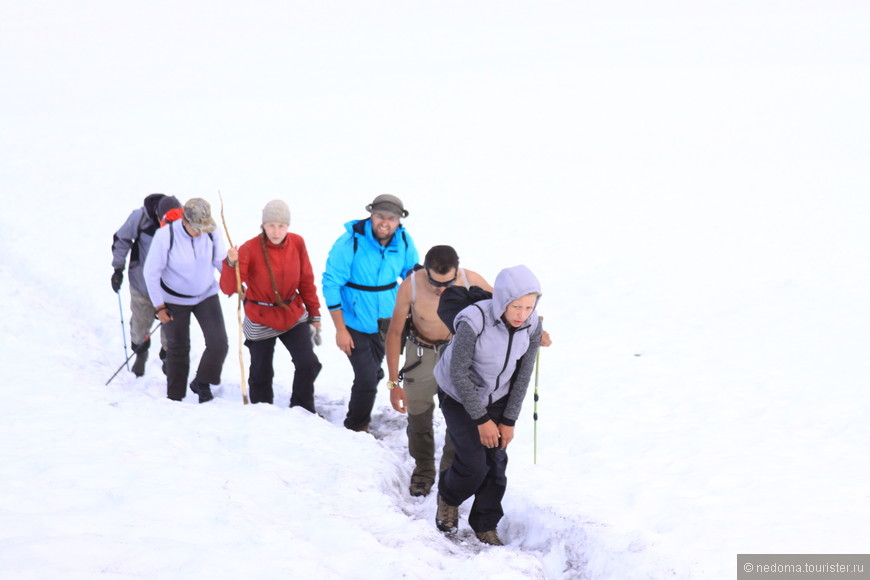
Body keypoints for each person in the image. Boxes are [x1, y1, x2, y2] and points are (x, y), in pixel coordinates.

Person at [433, 264, 543, 546]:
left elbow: (522, 374)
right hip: (458, 395)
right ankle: (449, 495)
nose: (522, 314)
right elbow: (458, 372)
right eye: (516, 306)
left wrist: (508, 420)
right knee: (473, 464)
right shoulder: (474, 320)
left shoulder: (532, 325)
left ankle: (485, 523)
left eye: (529, 307)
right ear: (502, 300)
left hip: (499, 396)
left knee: (496, 463)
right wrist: (482, 420)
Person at [385, 245, 493, 497]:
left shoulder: (470, 280)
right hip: (420, 353)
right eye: (435, 282)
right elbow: (394, 333)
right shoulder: (411, 286)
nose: (442, 290)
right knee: (418, 415)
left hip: (457, 354)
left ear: (457, 271)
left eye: (448, 283)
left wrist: (534, 328)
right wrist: (393, 383)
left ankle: (448, 471)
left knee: (459, 415)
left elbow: (508, 306)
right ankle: (423, 470)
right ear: (426, 271)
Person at [322, 194, 419, 432]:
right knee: (366, 377)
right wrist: (340, 329)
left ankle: (368, 391)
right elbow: (331, 284)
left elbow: (412, 276)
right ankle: (356, 426)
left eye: (391, 218)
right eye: (379, 216)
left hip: (388, 321)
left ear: (399, 221)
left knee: (373, 373)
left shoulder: (404, 241)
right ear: (371, 215)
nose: (384, 222)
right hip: (354, 321)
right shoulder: (349, 243)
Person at [219, 200, 322, 411]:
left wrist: (315, 315)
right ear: (263, 225)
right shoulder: (249, 248)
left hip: (291, 313)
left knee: (309, 363)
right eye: (271, 225)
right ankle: (262, 413)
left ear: (288, 226)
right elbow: (230, 288)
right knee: (261, 372)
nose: (276, 231)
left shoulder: (297, 243)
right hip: (260, 315)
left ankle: (302, 408)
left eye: (281, 226)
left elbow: (306, 281)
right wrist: (231, 264)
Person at [143, 198, 229, 403]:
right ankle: (175, 396)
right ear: (185, 221)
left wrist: (234, 282)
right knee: (178, 347)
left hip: (206, 294)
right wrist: (160, 306)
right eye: (197, 227)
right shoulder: (166, 236)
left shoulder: (212, 232)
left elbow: (220, 262)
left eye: (204, 227)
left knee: (219, 343)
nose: (201, 232)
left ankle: (202, 382)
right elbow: (151, 273)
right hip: (174, 298)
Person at [110, 194, 180, 377]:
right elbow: (122, 239)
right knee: (140, 326)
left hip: (169, 289)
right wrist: (118, 268)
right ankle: (140, 352)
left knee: (171, 329)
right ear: (157, 214)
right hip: (142, 286)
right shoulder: (140, 218)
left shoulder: (181, 222)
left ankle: (168, 359)